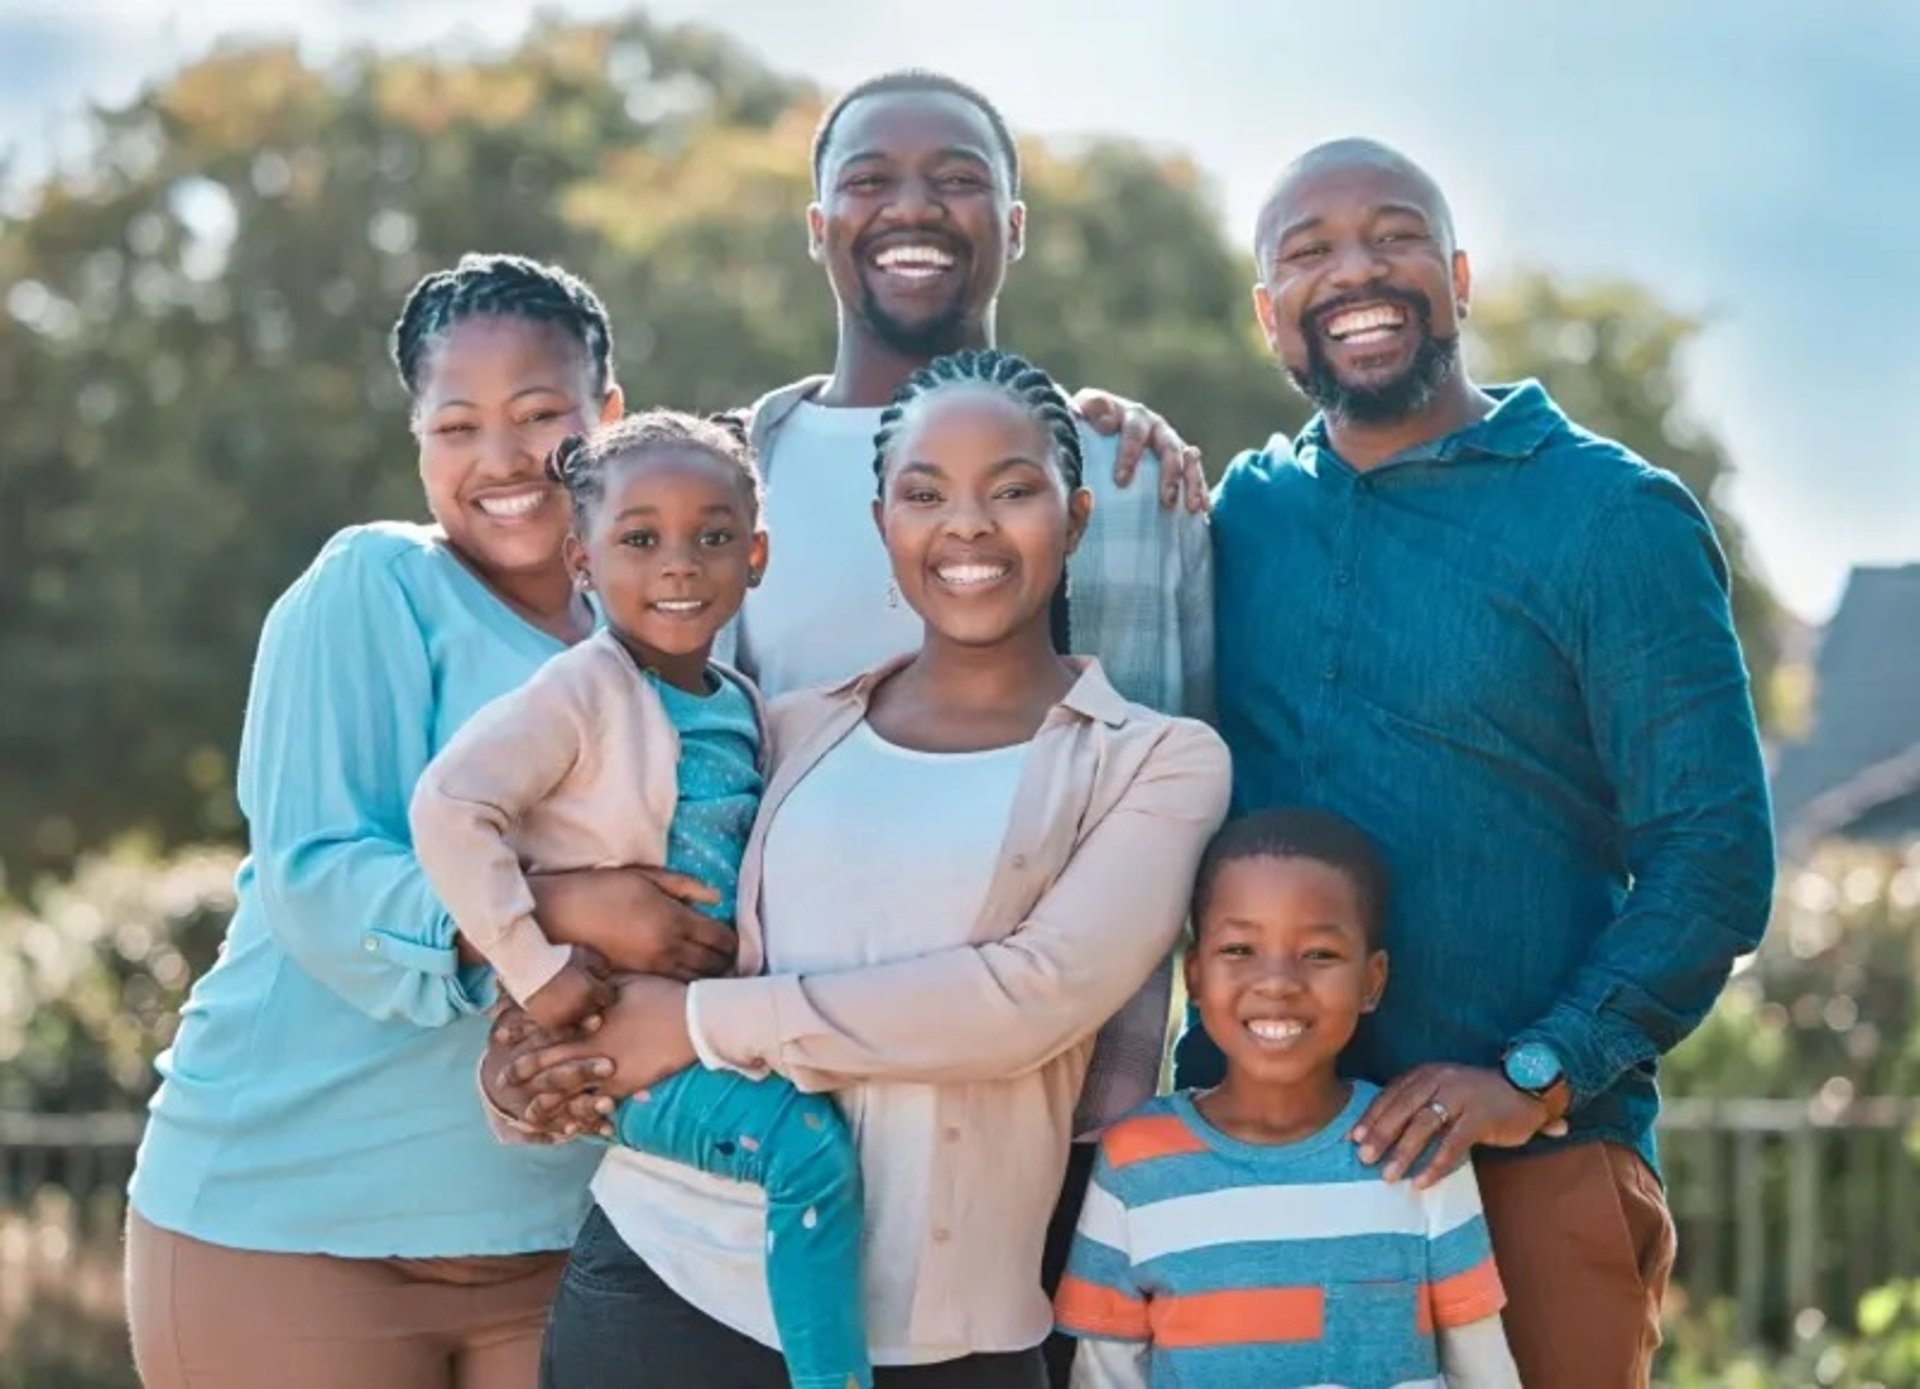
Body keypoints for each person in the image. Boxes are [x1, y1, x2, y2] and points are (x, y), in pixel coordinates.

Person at [488, 349, 1231, 1389]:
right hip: (666, 1281)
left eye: (1012, 491)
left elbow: (1027, 1000)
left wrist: (699, 1027)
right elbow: (641, 913)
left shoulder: (1157, 761)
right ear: (885, 526)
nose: (966, 526)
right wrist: (537, 1056)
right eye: (926, 495)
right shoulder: (783, 729)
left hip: (948, 1339)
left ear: (1074, 521)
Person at [1180, 139, 1775, 1387]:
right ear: (1265, 312)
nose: (1356, 272)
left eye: (1394, 238)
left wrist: (1536, 1072)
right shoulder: (1234, 519)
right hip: (1259, 1170)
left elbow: (1713, 861)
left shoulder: (1611, 519)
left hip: (1530, 1173)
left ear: (1456, 275)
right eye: (1310, 252)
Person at [123, 253, 736, 1389]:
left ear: (609, 417)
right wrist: (563, 911)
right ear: (417, 440)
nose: (500, 460)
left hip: (569, 1237)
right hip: (288, 1229)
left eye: (541, 417)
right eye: (456, 426)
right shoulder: (369, 590)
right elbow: (316, 879)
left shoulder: (680, 637)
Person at [723, 77, 1217, 1380]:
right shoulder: (732, 475)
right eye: (871, 177)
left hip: (1032, 1107)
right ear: (816, 222)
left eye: (954, 175)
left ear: (1014, 222)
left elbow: (1167, 780)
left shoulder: (1115, 475)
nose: (912, 204)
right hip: (765, 1090)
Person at [408, 412, 873, 1389]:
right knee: (806, 1155)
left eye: (712, 538)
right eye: (639, 539)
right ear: (581, 559)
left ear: (757, 555)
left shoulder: (740, 702)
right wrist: (535, 971)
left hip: (700, 1021)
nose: (679, 565)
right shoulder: (582, 689)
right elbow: (450, 810)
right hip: (598, 1034)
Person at [1057, 808, 1521, 1388]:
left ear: (1372, 981)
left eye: (1319, 954)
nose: (1276, 981)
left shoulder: (1412, 1145)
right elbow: (1105, 1375)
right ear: (1195, 975)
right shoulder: (1135, 1160)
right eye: (1239, 951)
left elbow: (1482, 1367)